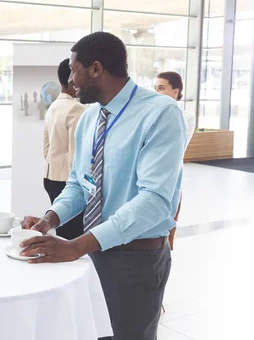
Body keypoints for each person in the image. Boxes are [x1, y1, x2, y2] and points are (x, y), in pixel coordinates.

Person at [20, 32, 185, 340]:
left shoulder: (161, 114)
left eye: (73, 69)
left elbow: (154, 201)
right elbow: (79, 186)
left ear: (95, 69)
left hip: (136, 261)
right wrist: (49, 219)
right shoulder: (89, 118)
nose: (70, 79)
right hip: (95, 254)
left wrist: (77, 245)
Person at [43, 58, 86, 240]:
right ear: (72, 80)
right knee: (73, 234)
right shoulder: (77, 108)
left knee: (62, 230)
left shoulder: (53, 106)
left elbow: (46, 147)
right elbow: (76, 154)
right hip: (68, 181)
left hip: (50, 176)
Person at [155, 71, 195, 250]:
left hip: (171, 179)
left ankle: (165, 259)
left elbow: (175, 149)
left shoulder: (185, 117)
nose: (156, 93)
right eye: (155, 88)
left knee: (168, 229)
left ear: (176, 91)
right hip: (150, 178)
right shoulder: (152, 113)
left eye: (162, 88)